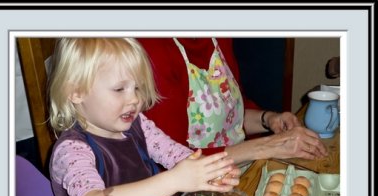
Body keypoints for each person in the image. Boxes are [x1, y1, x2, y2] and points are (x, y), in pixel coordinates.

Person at [47, 38, 240, 196]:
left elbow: (175, 154)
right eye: (119, 89)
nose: (134, 100)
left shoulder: (139, 125)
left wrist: (209, 171)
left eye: (137, 87)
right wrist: (175, 179)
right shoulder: (72, 150)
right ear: (76, 92)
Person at [137, 38, 328, 166]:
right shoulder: (152, 49)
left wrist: (268, 119)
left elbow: (228, 115)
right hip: (191, 195)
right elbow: (176, 159)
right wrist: (269, 146)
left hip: (237, 172)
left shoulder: (218, 38)